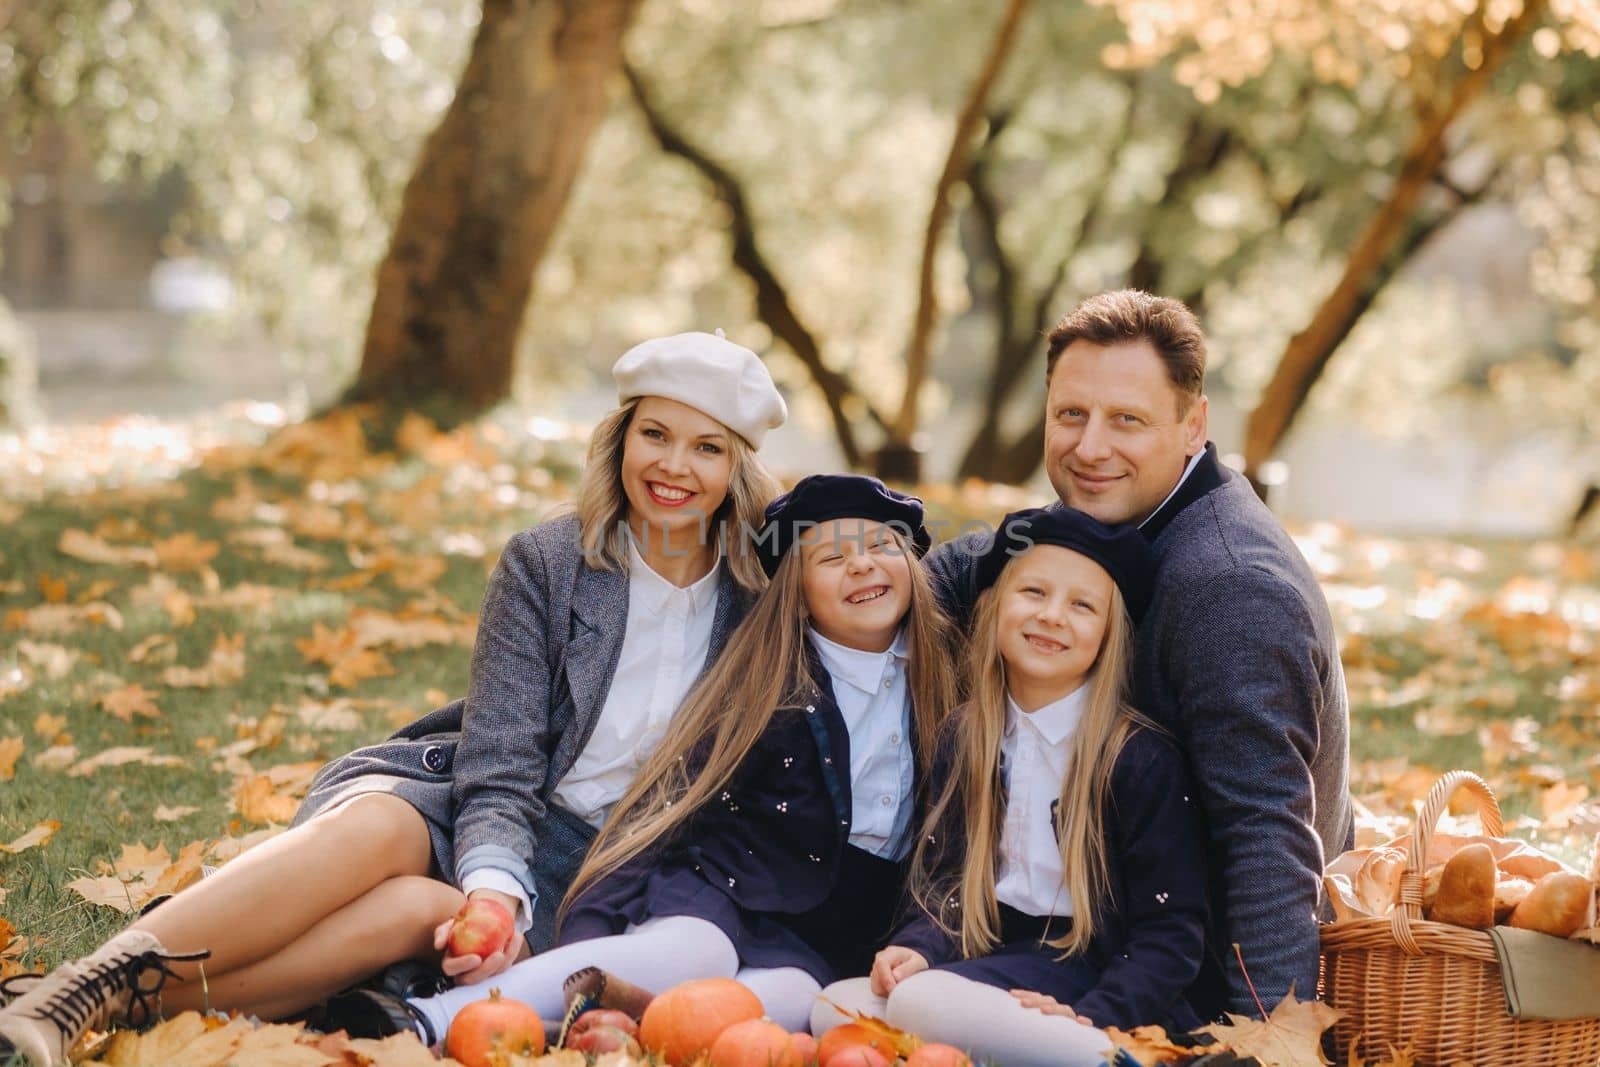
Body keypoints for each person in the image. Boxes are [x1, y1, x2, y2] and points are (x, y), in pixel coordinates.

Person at [0, 331, 787, 1067]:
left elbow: (893, 581)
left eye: (706, 446)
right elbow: (501, 758)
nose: (674, 465)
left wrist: (504, 903)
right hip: (477, 798)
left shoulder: (762, 598)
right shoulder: (549, 563)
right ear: (622, 439)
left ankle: (85, 1007)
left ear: (736, 468)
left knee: (412, 907)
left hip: (591, 866)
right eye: (656, 435)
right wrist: (491, 879)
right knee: (380, 825)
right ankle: (85, 985)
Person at [315, 475, 960, 1041]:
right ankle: (439, 1017)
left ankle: (586, 1024)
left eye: (882, 547)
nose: (863, 567)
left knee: (793, 1003)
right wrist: (597, 915)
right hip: (727, 886)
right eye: (831, 557)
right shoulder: (771, 684)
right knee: (692, 950)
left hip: (830, 926)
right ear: (794, 589)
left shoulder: (946, 682)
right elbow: (676, 801)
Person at [924, 290, 1352, 1017]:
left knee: (912, 1012)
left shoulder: (1229, 588)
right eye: (1071, 415)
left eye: (1127, 419)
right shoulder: (1094, 524)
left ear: (1193, 426)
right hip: (1060, 931)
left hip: (1178, 973)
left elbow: (1265, 834)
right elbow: (947, 573)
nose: (1090, 447)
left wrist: (1266, 1041)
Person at [814, 507, 1207, 1066]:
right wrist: (919, 949)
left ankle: (1110, 1057)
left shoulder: (1136, 759)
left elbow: (1170, 933)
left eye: (1082, 605)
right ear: (992, 607)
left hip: (1096, 974)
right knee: (836, 1007)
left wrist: (1101, 1012)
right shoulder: (968, 735)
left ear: (1110, 635)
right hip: (996, 960)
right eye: (1034, 592)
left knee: (925, 1004)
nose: (1052, 616)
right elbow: (948, 883)